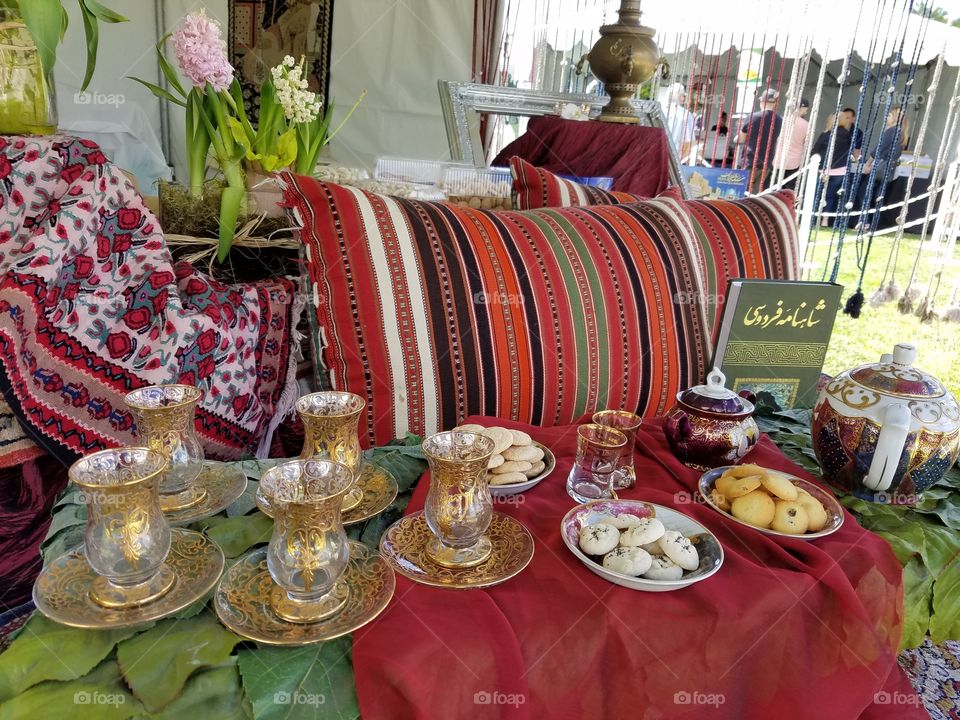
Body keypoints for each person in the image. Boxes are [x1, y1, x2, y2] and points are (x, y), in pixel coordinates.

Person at [856, 106, 908, 228]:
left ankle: (864, 221)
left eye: (889, 115)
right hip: (889, 169)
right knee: (878, 196)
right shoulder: (901, 133)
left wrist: (868, 164)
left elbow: (878, 150)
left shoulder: (891, 131)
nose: (886, 117)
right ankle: (873, 222)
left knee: (865, 192)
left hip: (881, 166)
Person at [811, 112, 853, 227]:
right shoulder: (848, 136)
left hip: (823, 170)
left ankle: (814, 218)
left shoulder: (825, 135)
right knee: (830, 196)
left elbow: (815, 151)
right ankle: (825, 220)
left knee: (817, 195)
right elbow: (850, 153)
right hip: (840, 171)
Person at [738, 88, 783, 192]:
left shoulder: (752, 117)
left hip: (749, 161)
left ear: (762, 102)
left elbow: (741, 139)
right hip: (766, 162)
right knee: (756, 194)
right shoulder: (779, 120)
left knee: (742, 192)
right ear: (775, 103)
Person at [772, 98, 810, 191]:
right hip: (794, 162)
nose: (806, 111)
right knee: (789, 191)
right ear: (801, 108)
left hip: (778, 161)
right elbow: (807, 144)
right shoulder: (806, 125)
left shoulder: (781, 121)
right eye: (806, 109)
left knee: (774, 189)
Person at [664, 83, 696, 163]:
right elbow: (689, 140)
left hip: (659, 152)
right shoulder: (686, 115)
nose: (684, 97)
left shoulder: (660, 111)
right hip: (677, 156)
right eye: (683, 95)